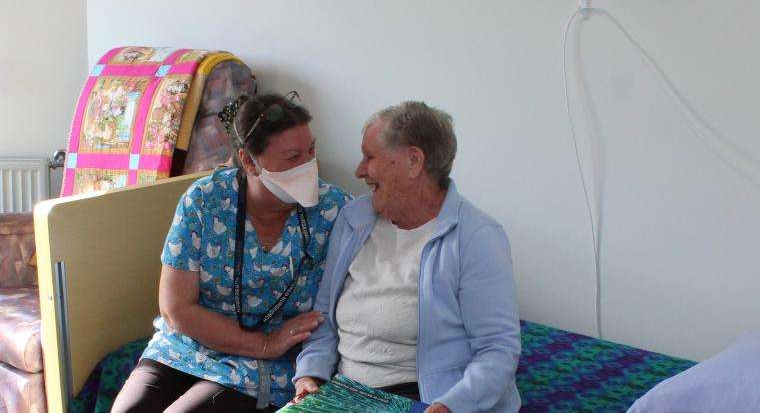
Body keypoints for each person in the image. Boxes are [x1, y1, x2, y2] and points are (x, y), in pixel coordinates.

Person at [112, 93, 350, 412]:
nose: (308, 166)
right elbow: (175, 306)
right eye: (293, 157)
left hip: (269, 365)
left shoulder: (335, 211)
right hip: (187, 345)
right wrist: (262, 343)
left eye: (311, 151)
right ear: (250, 162)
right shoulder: (205, 202)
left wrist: (271, 348)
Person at [292, 101, 521, 413]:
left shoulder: (476, 237)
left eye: (369, 157)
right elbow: (324, 320)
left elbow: (497, 350)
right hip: (345, 395)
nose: (359, 170)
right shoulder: (353, 219)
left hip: (426, 399)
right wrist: (309, 373)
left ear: (414, 161)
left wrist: (449, 406)